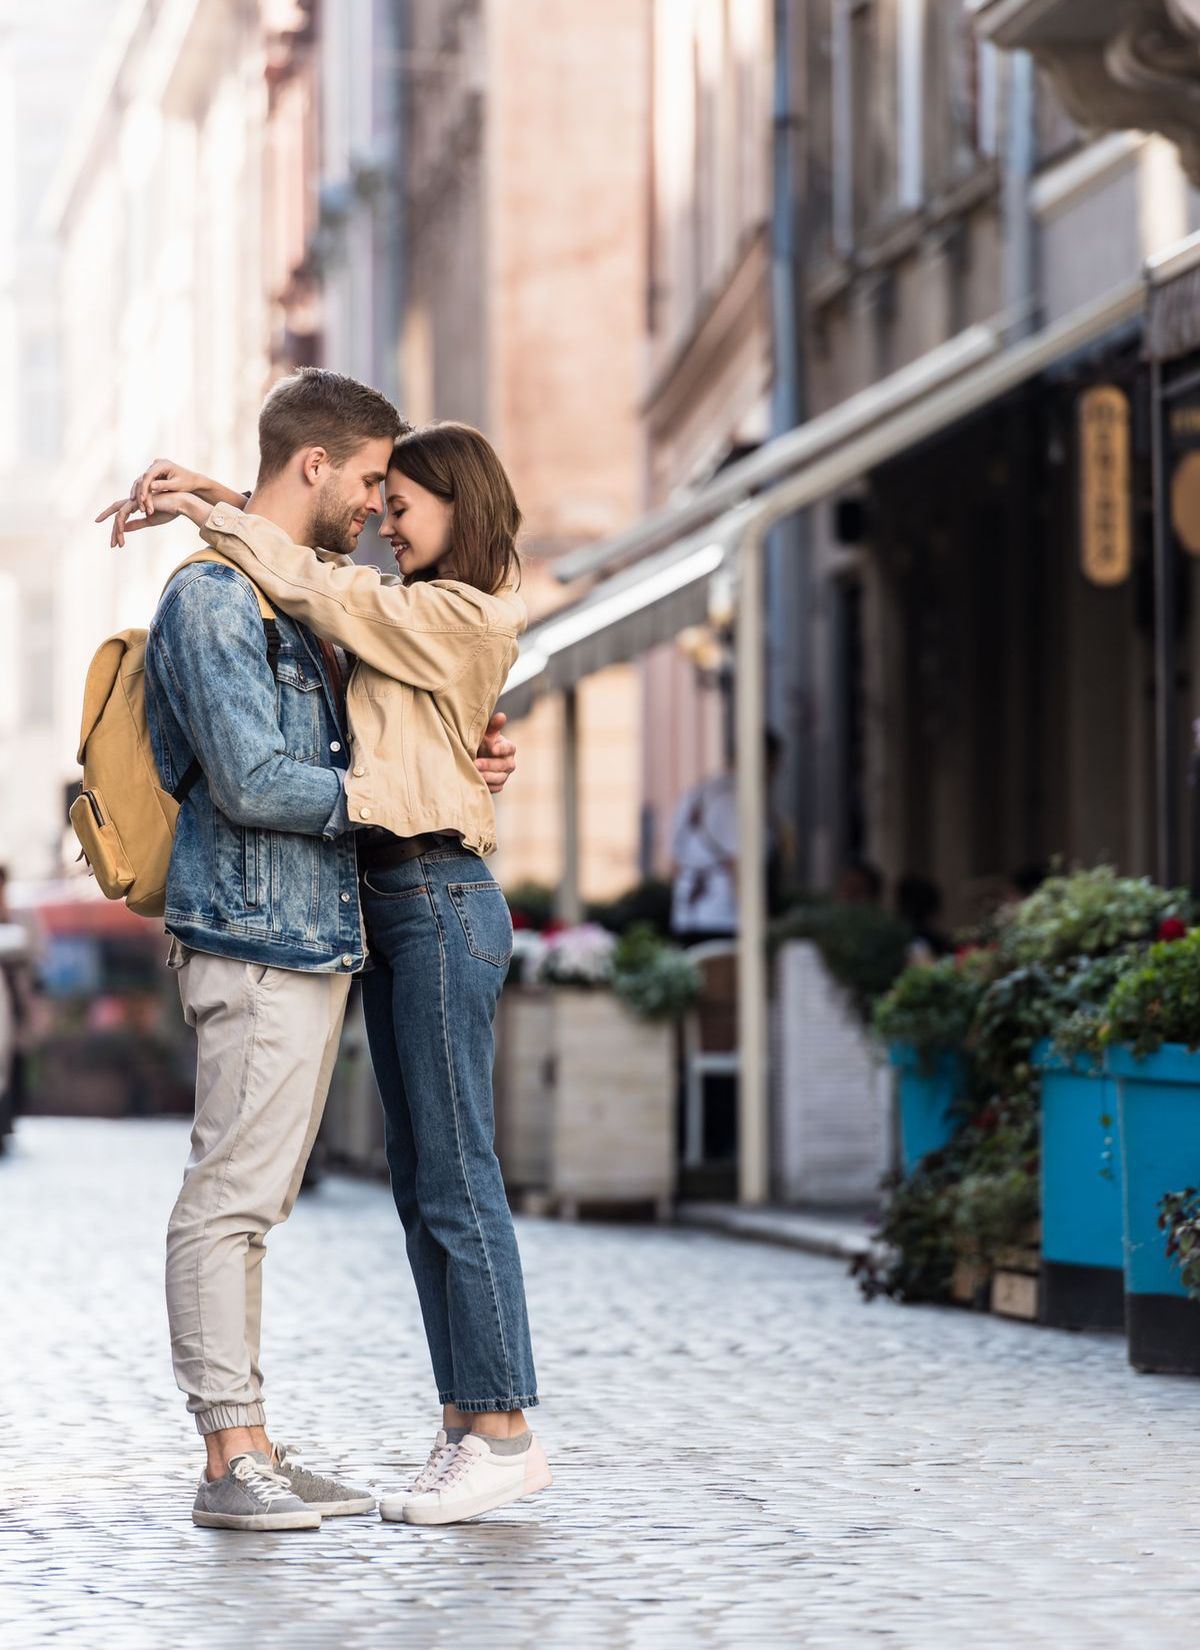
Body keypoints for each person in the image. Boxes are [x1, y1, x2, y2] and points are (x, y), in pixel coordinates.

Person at [100, 403, 549, 1531]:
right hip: (344, 912)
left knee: (450, 1176)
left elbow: (324, 590)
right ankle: (417, 1431)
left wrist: (214, 502)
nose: (380, 517)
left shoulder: (435, 608)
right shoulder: (271, 601)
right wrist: (421, 777)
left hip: (423, 900)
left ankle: (496, 1426)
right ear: (321, 467)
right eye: (374, 494)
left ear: (458, 504)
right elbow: (286, 724)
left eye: (399, 502)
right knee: (394, 1184)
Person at [670, 730, 787, 946]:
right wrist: (759, 924)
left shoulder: (698, 791)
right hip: (724, 921)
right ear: (763, 759)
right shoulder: (735, 797)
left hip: (691, 915)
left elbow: (675, 864)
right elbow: (739, 866)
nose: (777, 771)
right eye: (775, 763)